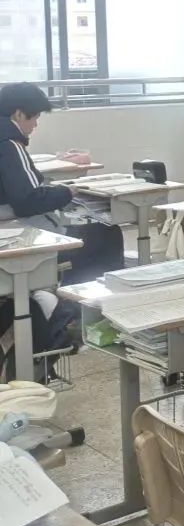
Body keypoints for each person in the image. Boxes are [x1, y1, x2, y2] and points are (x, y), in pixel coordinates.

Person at [0, 83, 123, 380]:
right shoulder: (10, 144)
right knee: (106, 233)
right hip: (18, 235)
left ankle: (59, 306)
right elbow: (29, 199)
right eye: (35, 118)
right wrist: (66, 192)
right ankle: (73, 317)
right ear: (19, 114)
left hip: (10, 230)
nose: (35, 125)